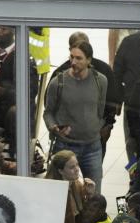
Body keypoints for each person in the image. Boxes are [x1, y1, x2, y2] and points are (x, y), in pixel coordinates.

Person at [44, 40, 108, 190]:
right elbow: (48, 113)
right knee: (60, 192)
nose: (73, 62)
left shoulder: (101, 81)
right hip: (65, 147)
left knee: (94, 193)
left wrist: (97, 127)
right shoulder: (57, 83)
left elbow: (100, 109)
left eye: (78, 58)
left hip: (92, 147)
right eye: (71, 57)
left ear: (89, 60)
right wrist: (53, 127)